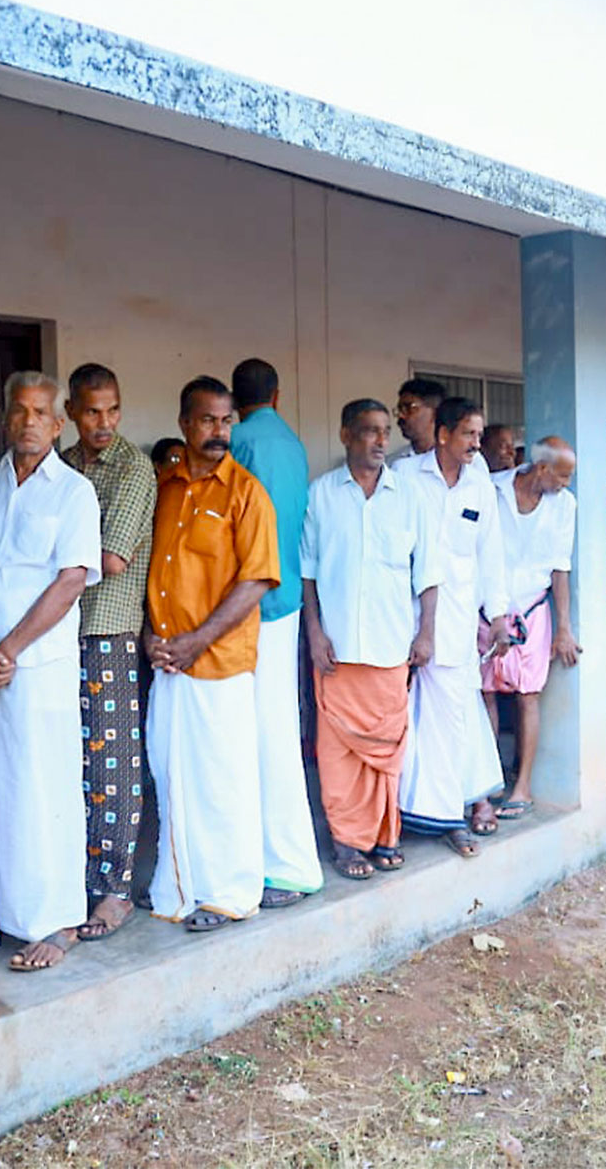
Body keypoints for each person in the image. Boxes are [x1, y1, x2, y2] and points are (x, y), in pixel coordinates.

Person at [0, 372, 102, 970]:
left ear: (57, 422)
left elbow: (71, 579)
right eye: (19, 410)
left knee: (46, 787)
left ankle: (59, 919)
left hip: (36, 665)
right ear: (6, 417)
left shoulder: (73, 493)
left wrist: (10, 647)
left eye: (40, 412)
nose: (28, 421)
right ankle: (2, 915)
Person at [146, 376, 281, 932]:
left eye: (227, 421)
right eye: (208, 420)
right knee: (171, 773)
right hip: (167, 662)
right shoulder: (167, 486)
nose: (220, 431)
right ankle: (178, 888)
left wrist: (196, 640)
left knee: (222, 782)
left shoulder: (246, 492)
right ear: (184, 423)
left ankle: (231, 894)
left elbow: (256, 581)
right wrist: (151, 639)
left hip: (218, 664)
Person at [302, 399, 440, 878]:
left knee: (386, 750)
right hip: (337, 650)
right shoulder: (320, 494)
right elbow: (309, 572)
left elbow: (428, 573)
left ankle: (383, 835)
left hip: (390, 646)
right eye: (369, 431)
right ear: (345, 435)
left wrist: (426, 632)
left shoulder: (410, 497)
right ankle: (346, 841)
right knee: (338, 754)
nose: (381, 440)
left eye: (385, 431)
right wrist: (314, 633)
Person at [56, 364, 157, 941]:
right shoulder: (63, 465)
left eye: (113, 410)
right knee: (72, 764)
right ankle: (75, 879)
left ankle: (115, 889)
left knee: (113, 765)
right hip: (60, 630)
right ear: (72, 411)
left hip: (108, 630)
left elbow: (111, 558)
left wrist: (39, 561)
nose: (104, 422)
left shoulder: (133, 468)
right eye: (92, 411)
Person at [229, 358, 325, 907]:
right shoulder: (292, 444)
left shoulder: (237, 441)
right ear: (278, 395)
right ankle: (270, 860)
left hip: (251, 606)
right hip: (284, 600)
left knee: (257, 738)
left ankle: (285, 865)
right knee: (274, 731)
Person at [398, 398, 509, 854]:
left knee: (453, 715)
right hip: (404, 617)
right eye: (468, 434)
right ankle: (410, 810)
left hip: (459, 618)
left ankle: (450, 813)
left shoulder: (480, 487)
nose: (476, 443)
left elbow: (491, 554)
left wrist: (497, 616)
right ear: (442, 434)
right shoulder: (405, 477)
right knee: (408, 717)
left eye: (479, 435)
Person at [480, 438, 581, 817]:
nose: (566, 484)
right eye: (563, 475)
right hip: (489, 608)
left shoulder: (564, 505)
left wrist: (564, 628)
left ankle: (521, 786)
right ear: (541, 469)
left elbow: (560, 569)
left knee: (528, 695)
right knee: (486, 694)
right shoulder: (493, 489)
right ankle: (487, 786)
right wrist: (495, 613)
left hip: (534, 608)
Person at [394, 378, 447, 459]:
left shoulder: (460, 460)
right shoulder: (393, 463)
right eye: (400, 409)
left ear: (435, 413)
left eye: (409, 408)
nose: (401, 415)